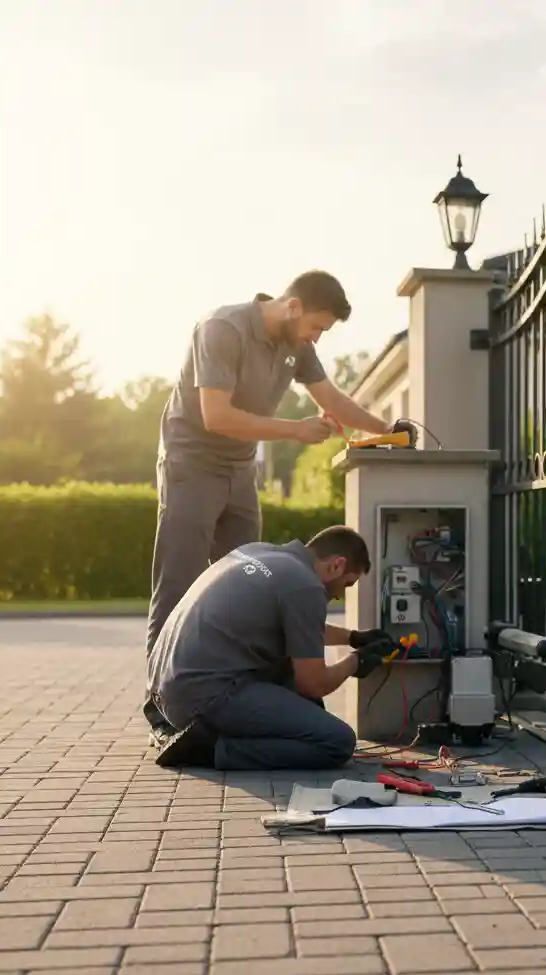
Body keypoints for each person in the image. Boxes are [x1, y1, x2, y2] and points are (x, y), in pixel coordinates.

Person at [143, 271, 416, 742]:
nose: (317, 338)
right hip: (192, 464)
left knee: (252, 582)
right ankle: (161, 710)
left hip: (239, 470)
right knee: (180, 585)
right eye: (317, 327)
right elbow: (216, 415)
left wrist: (389, 433)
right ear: (292, 307)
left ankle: (252, 693)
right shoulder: (222, 330)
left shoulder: (297, 347)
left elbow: (331, 399)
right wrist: (294, 429)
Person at [148, 525, 397, 770]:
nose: (341, 595)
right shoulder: (306, 586)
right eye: (348, 584)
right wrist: (356, 662)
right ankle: (209, 749)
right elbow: (313, 683)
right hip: (200, 699)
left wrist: (353, 638)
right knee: (337, 741)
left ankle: (215, 732)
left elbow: (300, 626)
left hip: (167, 689)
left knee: (305, 701)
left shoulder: (258, 553)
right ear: (336, 565)